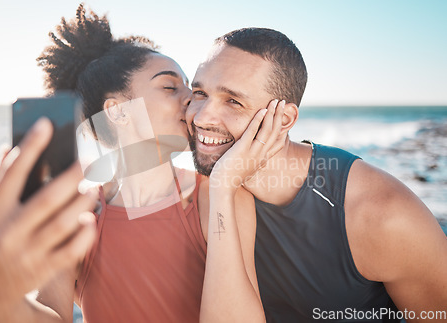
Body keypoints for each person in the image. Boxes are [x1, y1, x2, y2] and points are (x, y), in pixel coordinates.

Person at [0, 6, 264, 323]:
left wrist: (222, 188)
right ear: (117, 111)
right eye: (169, 87)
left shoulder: (220, 198)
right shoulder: (80, 215)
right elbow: (53, 313)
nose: (191, 100)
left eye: (190, 89)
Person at [186, 27, 447, 322]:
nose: (201, 117)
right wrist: (223, 187)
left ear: (284, 120)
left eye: (233, 101)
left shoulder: (381, 214)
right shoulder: (208, 189)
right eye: (199, 93)